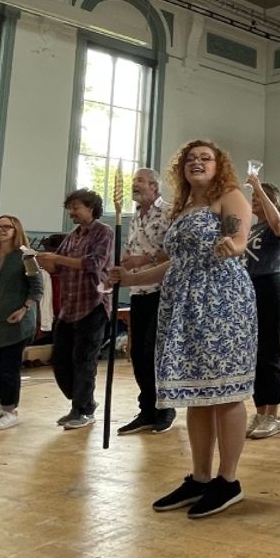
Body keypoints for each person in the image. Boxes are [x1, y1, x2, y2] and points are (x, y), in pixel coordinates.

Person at [110, 140, 257, 519]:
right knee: (196, 393)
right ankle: (201, 477)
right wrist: (130, 278)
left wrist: (232, 244)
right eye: (191, 159)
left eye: (205, 158)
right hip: (183, 304)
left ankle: (229, 480)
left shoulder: (228, 196)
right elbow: (176, 263)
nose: (197, 163)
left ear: (218, 164)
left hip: (221, 301)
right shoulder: (182, 207)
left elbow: (239, 238)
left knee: (224, 391)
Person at [37, 189, 113, 430]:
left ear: (91, 208)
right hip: (69, 307)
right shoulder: (72, 236)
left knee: (84, 359)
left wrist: (57, 260)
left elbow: (94, 263)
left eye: (76, 207)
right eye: (70, 208)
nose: (72, 212)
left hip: (92, 304)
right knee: (60, 359)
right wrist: (40, 260)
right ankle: (81, 402)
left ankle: (83, 409)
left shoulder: (104, 232)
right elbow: (57, 266)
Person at [116, 168, 176, 436]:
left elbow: (175, 250)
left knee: (155, 350)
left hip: (163, 289)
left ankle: (166, 408)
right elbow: (131, 250)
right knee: (138, 352)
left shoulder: (170, 212)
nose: (134, 184)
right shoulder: (133, 218)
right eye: (134, 181)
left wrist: (145, 260)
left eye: (140, 180)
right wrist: (121, 265)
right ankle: (147, 409)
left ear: (155, 186)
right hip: (138, 290)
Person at [0, 215, 42, 432]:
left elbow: (37, 287)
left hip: (18, 320)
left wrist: (25, 309)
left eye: (7, 227)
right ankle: (0, 405)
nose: (1, 230)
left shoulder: (26, 256)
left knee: (8, 368)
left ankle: (10, 410)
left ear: (16, 230)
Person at [245, 176, 280, 439]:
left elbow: (278, 223)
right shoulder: (250, 229)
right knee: (253, 355)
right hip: (248, 289)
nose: (253, 202)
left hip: (269, 287)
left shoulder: (276, 223)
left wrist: (259, 186)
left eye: (257, 199)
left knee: (269, 351)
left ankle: (273, 414)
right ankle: (260, 411)